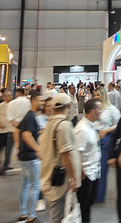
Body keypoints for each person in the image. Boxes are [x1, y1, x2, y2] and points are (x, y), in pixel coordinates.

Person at [40, 93, 80, 223]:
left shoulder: (50, 123)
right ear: (68, 106)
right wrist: (73, 178)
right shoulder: (63, 125)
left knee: (56, 214)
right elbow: (66, 154)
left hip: (49, 175)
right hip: (60, 180)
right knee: (57, 216)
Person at [17, 90, 44, 223]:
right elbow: (26, 135)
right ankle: (31, 216)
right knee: (36, 186)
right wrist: (38, 149)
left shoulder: (29, 116)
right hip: (30, 157)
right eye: (40, 101)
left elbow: (18, 131)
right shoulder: (31, 117)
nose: (42, 103)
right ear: (33, 102)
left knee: (25, 185)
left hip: (24, 156)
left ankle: (23, 213)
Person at [75, 98, 103, 223]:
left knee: (88, 206)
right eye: (100, 109)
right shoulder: (82, 129)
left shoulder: (91, 125)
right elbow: (77, 153)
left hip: (94, 172)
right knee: (83, 208)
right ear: (93, 111)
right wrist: (82, 173)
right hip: (86, 175)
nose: (101, 112)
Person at [94, 86, 121, 203]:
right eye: (95, 95)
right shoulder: (93, 108)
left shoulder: (112, 109)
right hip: (93, 139)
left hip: (105, 139)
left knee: (102, 169)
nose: (96, 97)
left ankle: (99, 196)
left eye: (98, 95)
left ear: (103, 95)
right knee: (93, 168)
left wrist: (106, 130)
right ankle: (92, 193)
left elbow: (118, 124)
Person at [0, 90, 14, 175]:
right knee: (0, 148)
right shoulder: (0, 106)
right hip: (2, 131)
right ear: (4, 97)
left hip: (10, 130)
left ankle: (6, 164)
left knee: (8, 149)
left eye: (11, 95)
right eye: (8, 96)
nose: (10, 97)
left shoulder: (13, 105)